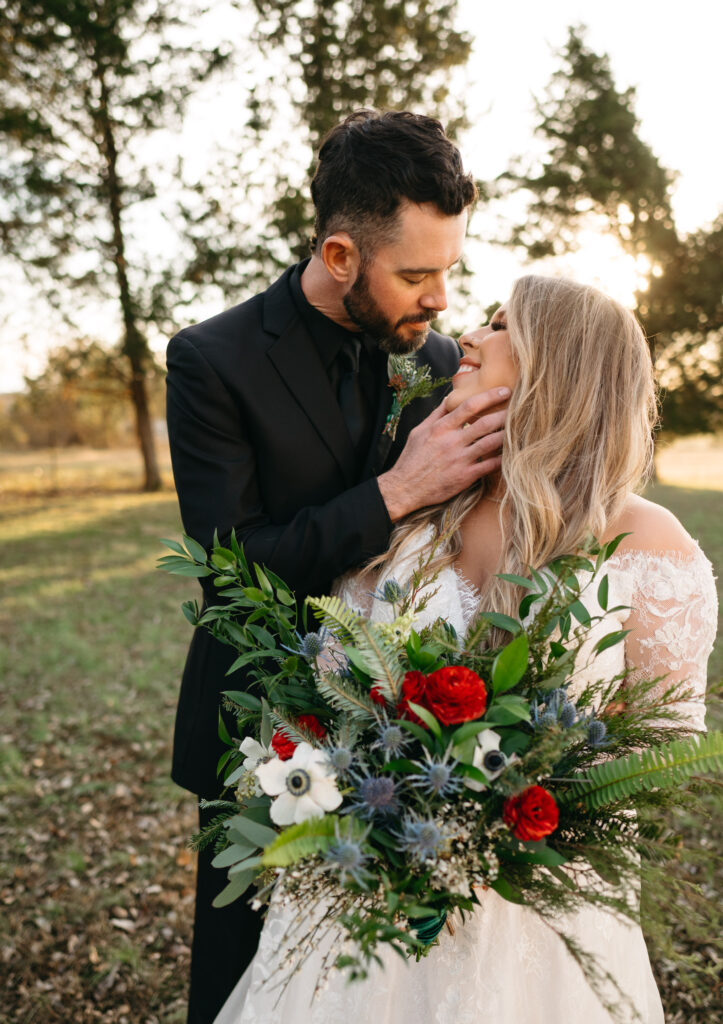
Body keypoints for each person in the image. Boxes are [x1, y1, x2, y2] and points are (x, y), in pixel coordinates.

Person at [213, 275, 717, 1023]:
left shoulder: (648, 546)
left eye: (499, 325)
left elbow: (657, 754)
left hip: (536, 910)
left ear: (560, 363)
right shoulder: (414, 512)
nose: (469, 338)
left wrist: (499, 827)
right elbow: (329, 687)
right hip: (371, 887)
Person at [166, 109, 509, 1024]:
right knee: (246, 979)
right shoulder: (212, 360)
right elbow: (230, 571)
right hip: (260, 733)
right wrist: (394, 493)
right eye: (416, 274)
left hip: (410, 733)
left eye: (450, 269)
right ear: (342, 255)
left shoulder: (440, 363)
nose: (440, 298)